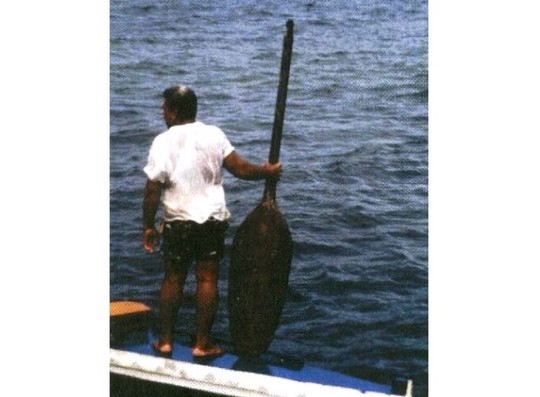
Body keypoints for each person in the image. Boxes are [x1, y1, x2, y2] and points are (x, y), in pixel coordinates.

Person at [142, 85, 282, 358]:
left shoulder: (162, 141)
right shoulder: (214, 134)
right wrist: (266, 172)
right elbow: (240, 169)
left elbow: (152, 189)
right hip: (211, 221)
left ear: (173, 111)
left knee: (172, 279)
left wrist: (148, 225)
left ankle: (166, 341)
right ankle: (202, 343)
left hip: (178, 222)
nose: (162, 113)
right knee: (207, 279)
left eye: (164, 109)